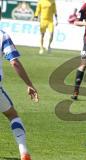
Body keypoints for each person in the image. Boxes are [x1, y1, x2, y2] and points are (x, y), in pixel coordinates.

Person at [0, 30, 39, 159]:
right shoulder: (3, 36)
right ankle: (24, 152)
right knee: (12, 115)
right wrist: (29, 84)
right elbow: (14, 61)